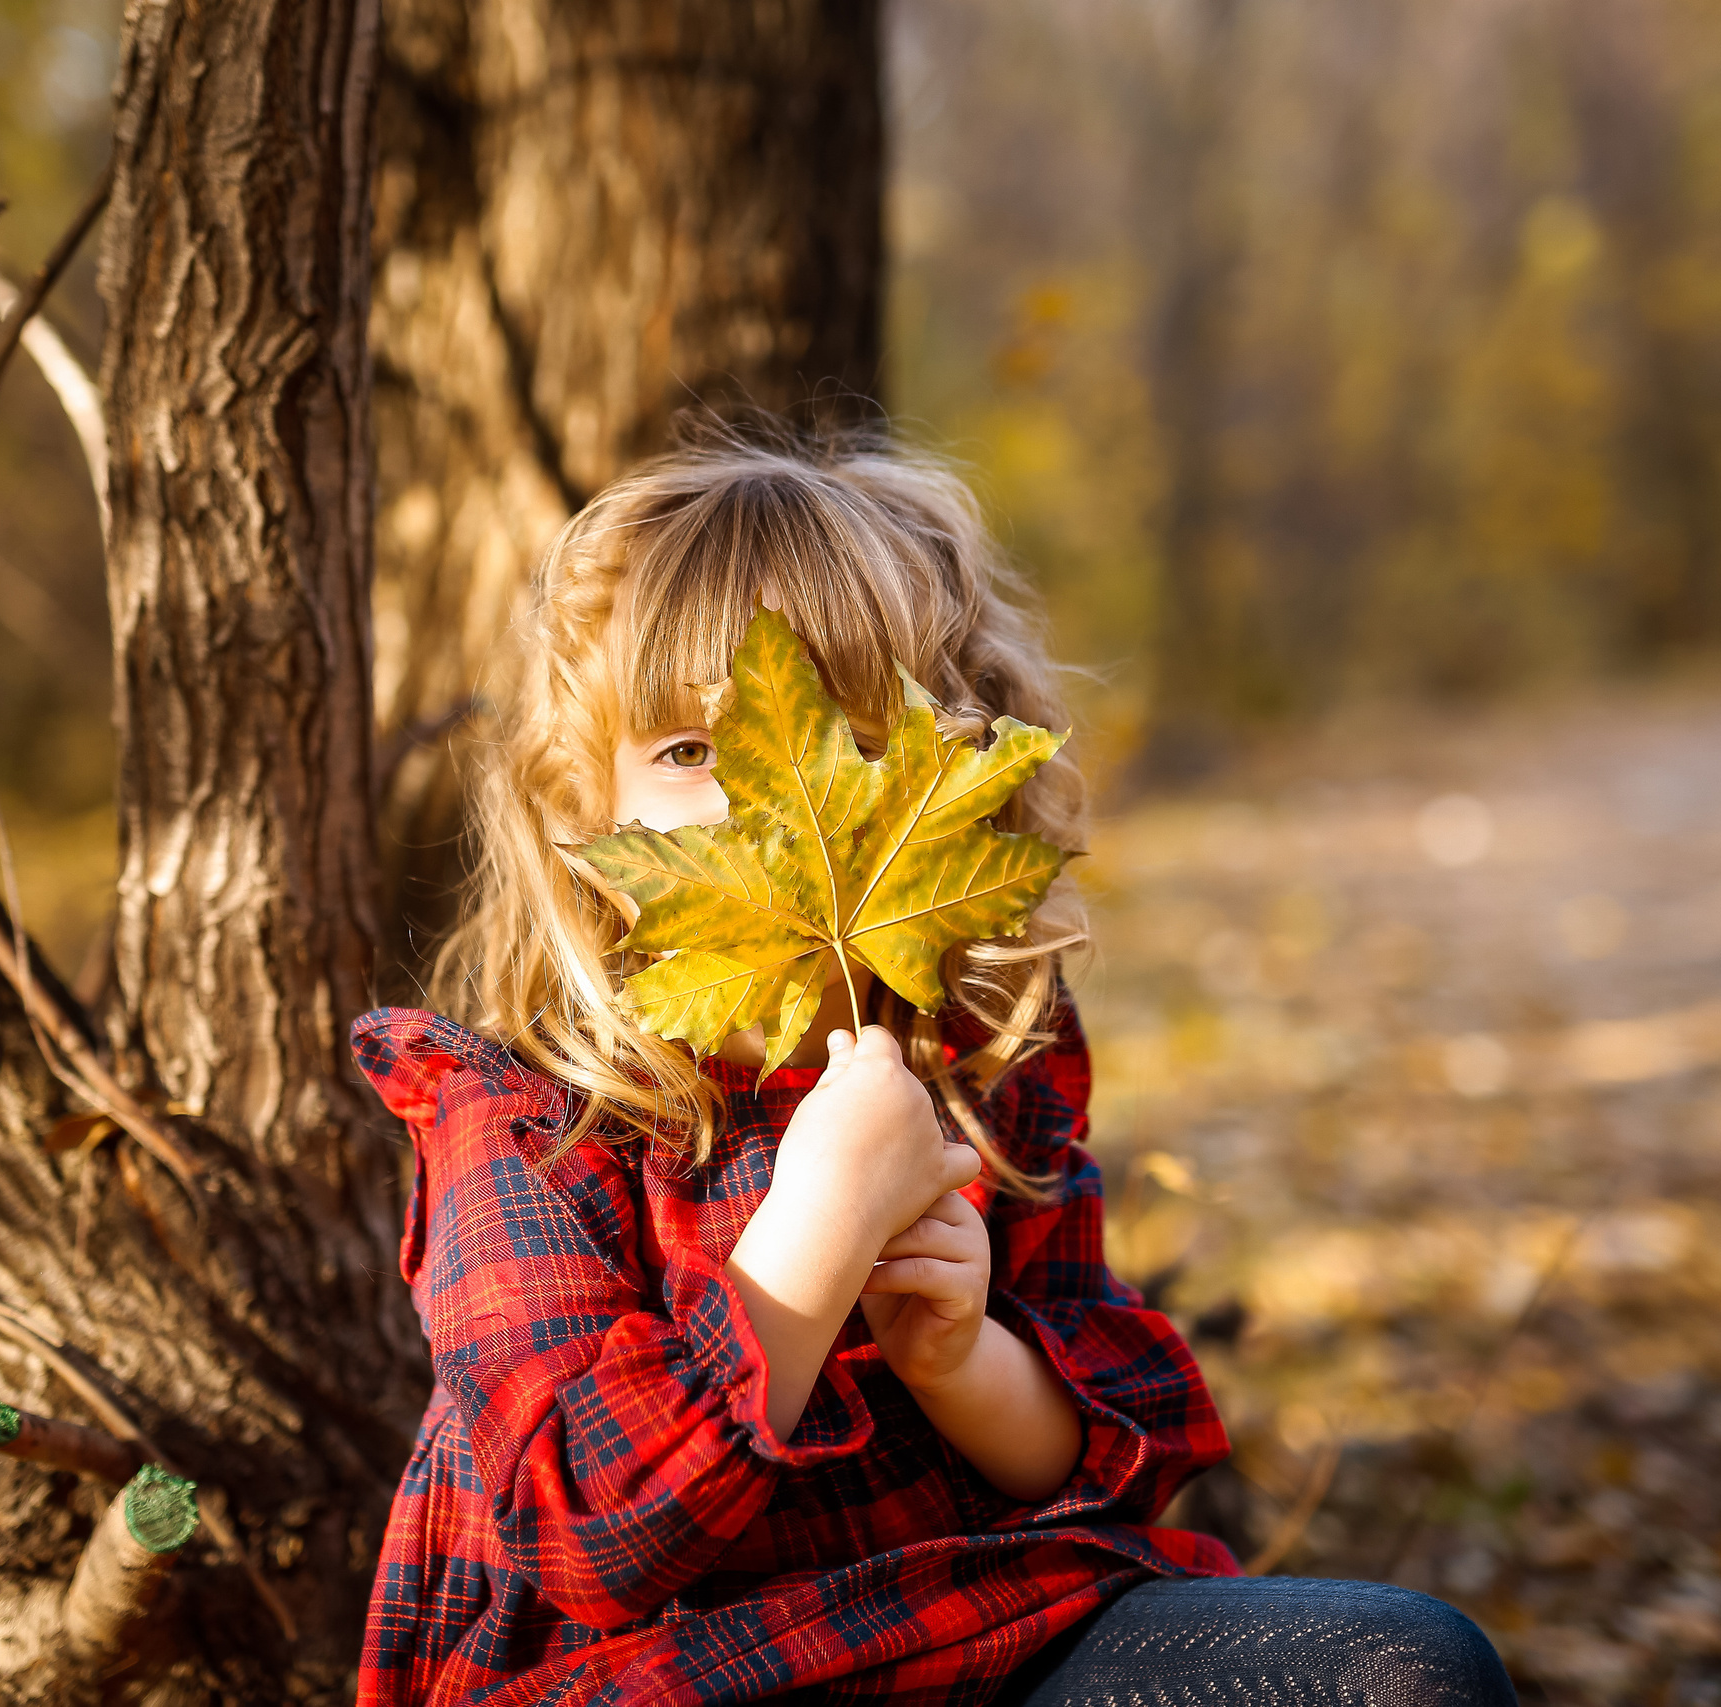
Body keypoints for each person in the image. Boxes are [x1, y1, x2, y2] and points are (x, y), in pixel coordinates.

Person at [351, 433, 1516, 1704]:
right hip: (663, 1673)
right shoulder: (529, 1114)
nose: (763, 802)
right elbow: (594, 1533)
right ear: (586, 815)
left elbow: (1102, 1459)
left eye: (841, 738)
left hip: (971, 1631)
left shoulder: (977, 1060)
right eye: (690, 752)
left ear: (939, 783)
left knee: (1406, 1671)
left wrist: (959, 1361)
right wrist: (819, 1227)